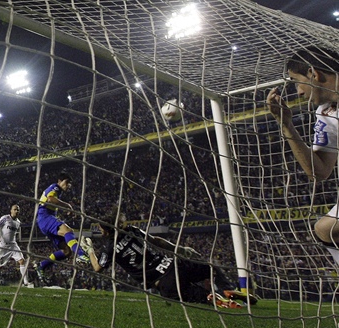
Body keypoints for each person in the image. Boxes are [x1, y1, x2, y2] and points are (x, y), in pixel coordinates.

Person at [84, 214, 258, 307]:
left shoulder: (109, 247)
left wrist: (90, 249)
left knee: (200, 297)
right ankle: (228, 289)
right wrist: (181, 249)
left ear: (105, 230)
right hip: (175, 264)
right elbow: (157, 241)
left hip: (165, 282)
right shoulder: (132, 230)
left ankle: (218, 299)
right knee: (209, 268)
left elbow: (98, 267)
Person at [266, 46, 339, 265]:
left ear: (313, 74)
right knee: (326, 229)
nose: (298, 91)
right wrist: (286, 125)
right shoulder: (327, 113)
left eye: (297, 81)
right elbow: (318, 172)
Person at [34, 172, 88, 284]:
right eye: (66, 182)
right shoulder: (55, 187)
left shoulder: (57, 192)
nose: (68, 185)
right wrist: (67, 206)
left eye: (69, 184)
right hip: (44, 217)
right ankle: (81, 254)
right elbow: (49, 199)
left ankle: (41, 266)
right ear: (59, 181)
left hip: (44, 220)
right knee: (68, 231)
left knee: (66, 251)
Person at [0, 204, 33, 288]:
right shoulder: (5, 218)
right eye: (15, 209)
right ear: (11, 210)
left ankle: (26, 282)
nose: (16, 211)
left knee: (22, 260)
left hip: (13, 244)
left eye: (18, 210)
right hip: (2, 245)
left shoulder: (18, 222)